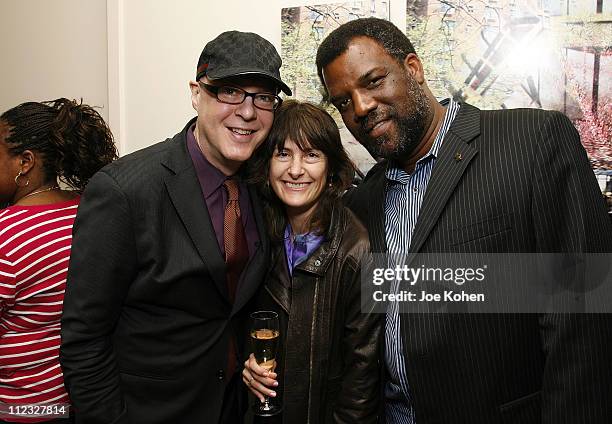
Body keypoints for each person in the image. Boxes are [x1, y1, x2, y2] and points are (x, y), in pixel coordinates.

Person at [315, 18, 612, 424]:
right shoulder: (365, 201)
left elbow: (585, 319)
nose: (361, 107)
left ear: (414, 69)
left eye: (372, 81)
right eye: (344, 102)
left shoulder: (531, 141)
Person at [59, 31, 291, 424]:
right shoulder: (124, 191)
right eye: (230, 91)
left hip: (232, 407)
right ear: (196, 93)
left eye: (263, 97)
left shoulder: (262, 184)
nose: (248, 112)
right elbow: (84, 338)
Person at [242, 100, 382, 423]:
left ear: (331, 169)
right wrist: (247, 368)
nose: (294, 170)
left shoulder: (358, 251)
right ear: (268, 165)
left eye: (311, 155)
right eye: (283, 154)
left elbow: (362, 380)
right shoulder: (260, 235)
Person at [0, 98, 117, 423]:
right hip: (83, 400)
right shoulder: (90, 210)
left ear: (25, 162)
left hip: (21, 408)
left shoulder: (6, 236)